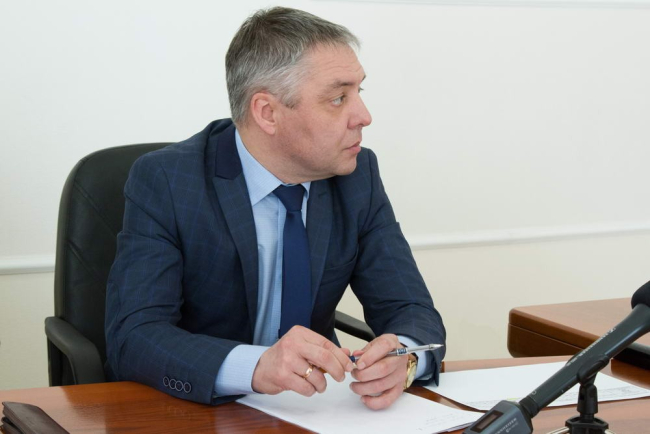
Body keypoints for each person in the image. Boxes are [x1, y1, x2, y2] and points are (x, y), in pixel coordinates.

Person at [105, 6, 445, 410]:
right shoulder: (168, 181)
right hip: (196, 410)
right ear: (267, 112)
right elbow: (135, 335)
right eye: (338, 98)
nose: (364, 117)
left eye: (359, 93)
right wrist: (255, 367)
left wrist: (405, 356)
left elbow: (409, 308)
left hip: (316, 409)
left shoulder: (358, 176)